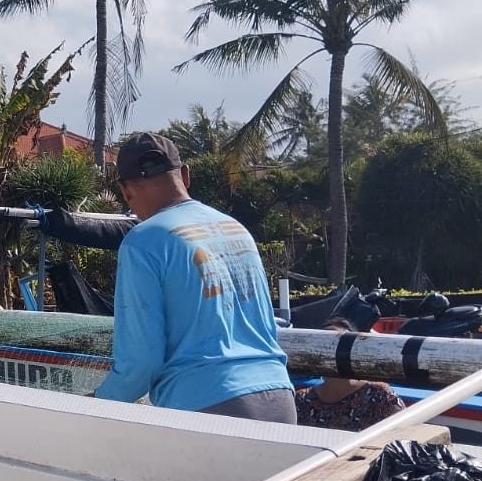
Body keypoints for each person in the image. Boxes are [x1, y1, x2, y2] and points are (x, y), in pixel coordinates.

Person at [93, 133, 297, 423]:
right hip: (280, 396)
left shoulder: (144, 241)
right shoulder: (235, 229)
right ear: (185, 175)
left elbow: (141, 361)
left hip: (209, 407)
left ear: (125, 191)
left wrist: (98, 405)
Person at [294, 318, 407, 429]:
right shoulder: (301, 400)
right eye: (323, 346)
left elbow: (402, 433)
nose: (330, 351)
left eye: (338, 345)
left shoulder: (380, 396)